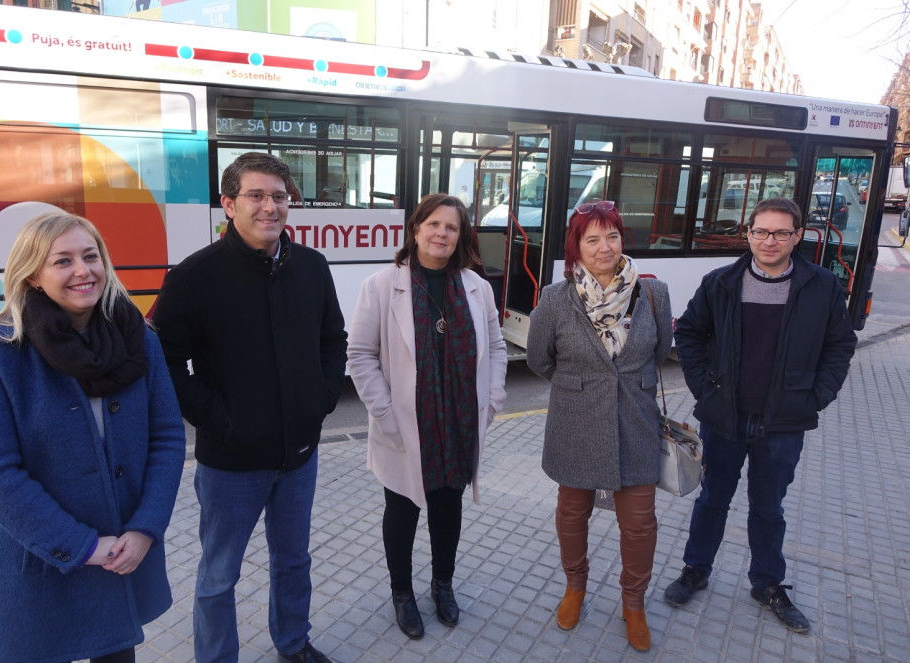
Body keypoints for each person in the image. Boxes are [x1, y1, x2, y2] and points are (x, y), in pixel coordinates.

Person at [0, 211, 186, 663]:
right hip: (45, 562)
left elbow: (166, 438)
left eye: (91, 255)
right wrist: (82, 545)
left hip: (121, 554)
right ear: (33, 276)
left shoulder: (139, 340)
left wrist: (146, 528)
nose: (83, 270)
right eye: (62, 261)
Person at [153, 152, 347, 663]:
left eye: (279, 196)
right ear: (229, 203)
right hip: (231, 465)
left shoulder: (311, 266)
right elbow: (165, 363)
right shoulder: (193, 277)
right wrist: (221, 420)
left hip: (299, 455)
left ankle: (293, 643)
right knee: (219, 575)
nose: (270, 207)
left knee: (293, 562)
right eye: (256, 196)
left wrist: (322, 398)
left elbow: (333, 340)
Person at [663, 197, 856, 633]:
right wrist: (703, 387)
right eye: (761, 231)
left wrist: (817, 396)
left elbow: (840, 345)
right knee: (712, 499)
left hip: (784, 422)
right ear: (747, 233)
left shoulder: (822, 286)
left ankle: (767, 583)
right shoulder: (722, 282)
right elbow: (689, 333)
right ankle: (696, 570)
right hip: (725, 418)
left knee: (768, 507)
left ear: (798, 236)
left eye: (781, 232)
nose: (770, 241)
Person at [347, 193, 508, 640]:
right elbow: (359, 355)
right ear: (415, 229)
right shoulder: (382, 285)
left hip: (458, 423)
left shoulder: (477, 287)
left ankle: (442, 585)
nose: (442, 234)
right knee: (401, 510)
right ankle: (402, 594)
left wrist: (491, 399)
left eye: (452, 228)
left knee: (447, 508)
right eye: (434, 225)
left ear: (461, 237)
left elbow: (496, 348)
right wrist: (385, 414)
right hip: (405, 425)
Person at [526, 199, 672, 652]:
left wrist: (617, 385)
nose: (604, 247)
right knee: (572, 513)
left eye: (612, 236)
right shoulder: (555, 297)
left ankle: (634, 604)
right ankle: (575, 588)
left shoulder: (653, 293)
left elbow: (661, 350)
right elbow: (538, 359)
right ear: (577, 247)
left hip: (637, 423)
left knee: (640, 524)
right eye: (592, 239)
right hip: (575, 422)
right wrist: (583, 388)